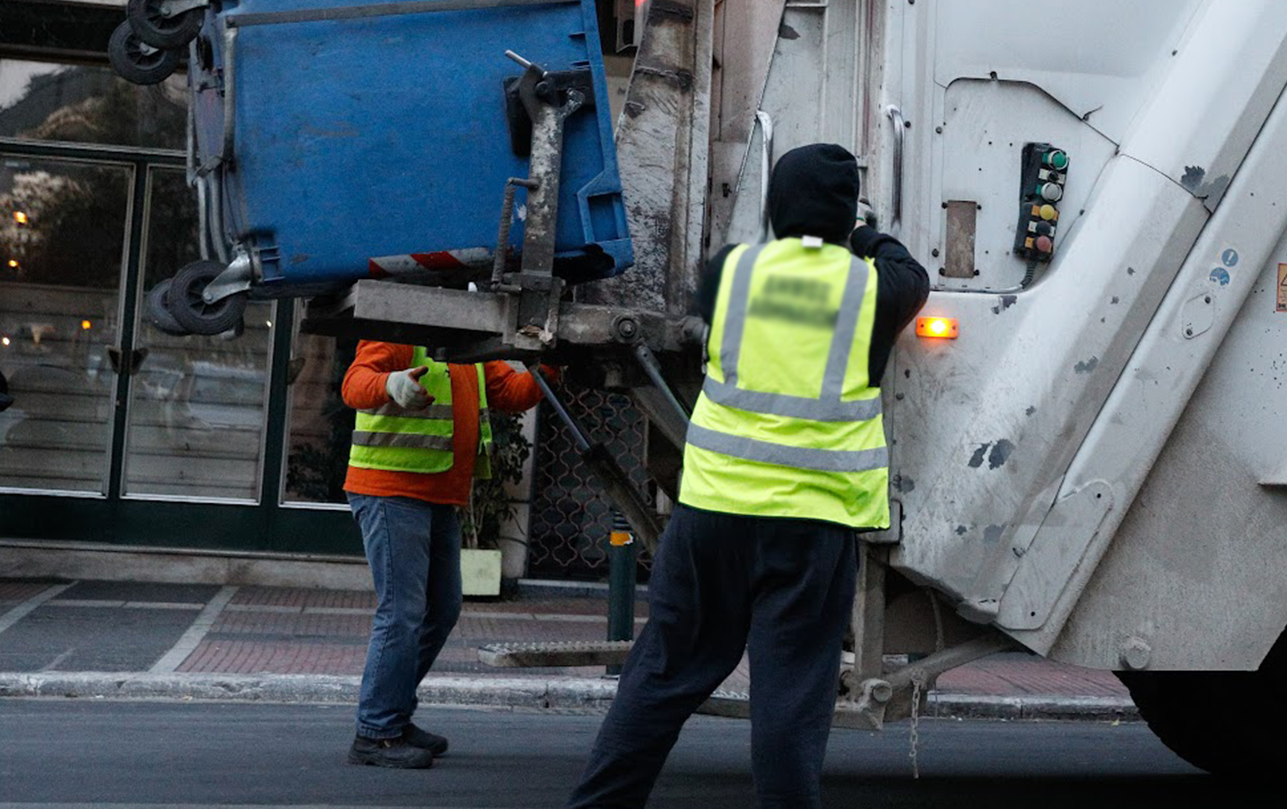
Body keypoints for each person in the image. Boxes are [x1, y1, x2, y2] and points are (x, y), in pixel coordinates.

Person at [565, 143, 930, 808]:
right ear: (844, 215)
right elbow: (910, 270)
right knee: (790, 698)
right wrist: (865, 234)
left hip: (710, 514)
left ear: (776, 204)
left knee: (661, 675)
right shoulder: (873, 287)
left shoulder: (729, 274)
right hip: (810, 526)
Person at [342, 340, 552, 769]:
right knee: (402, 612)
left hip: (438, 494)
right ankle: (376, 731)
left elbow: (512, 392)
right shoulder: (401, 327)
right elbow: (354, 385)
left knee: (442, 608)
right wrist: (391, 383)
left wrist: (554, 367)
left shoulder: (468, 342)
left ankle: (392, 715)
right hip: (392, 489)